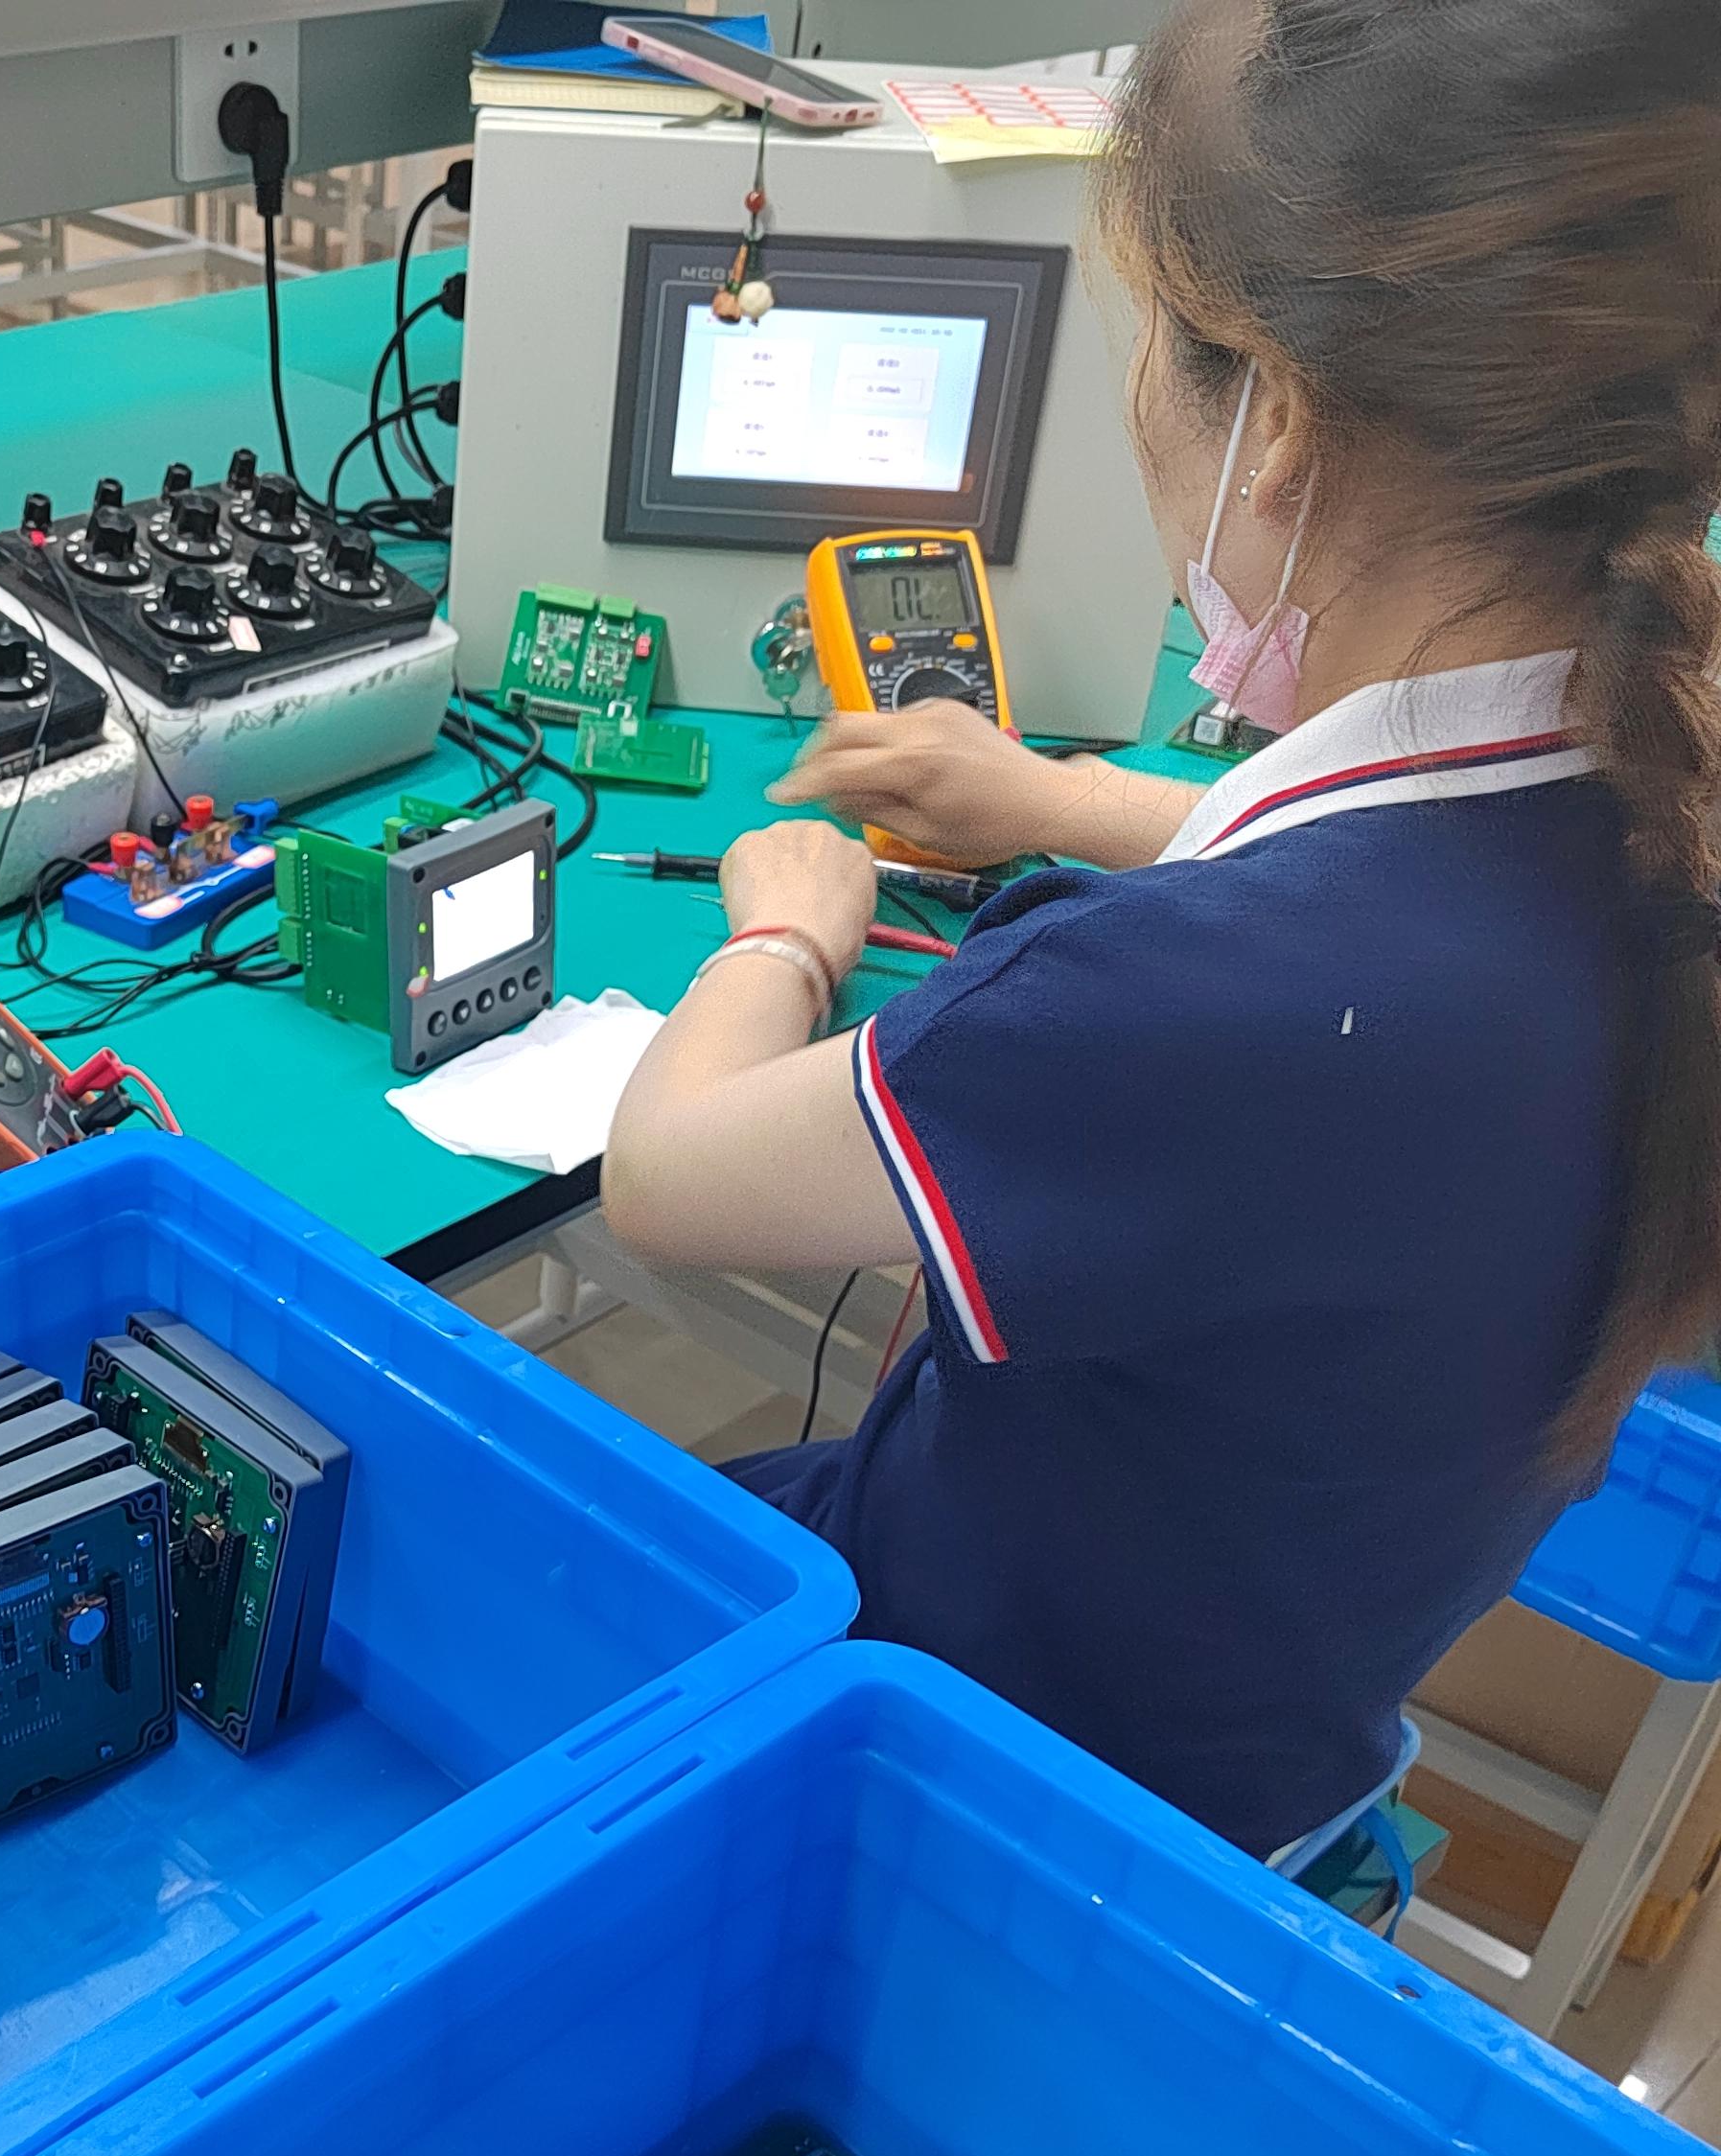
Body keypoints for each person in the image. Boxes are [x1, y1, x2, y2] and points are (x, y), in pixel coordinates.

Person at [601, 0, 1721, 1869]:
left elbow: (663, 1177)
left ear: (1274, 423)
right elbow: (1386, 895)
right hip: (1264, 1775)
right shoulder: (1652, 828)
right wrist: (1062, 800)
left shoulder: (1158, 1006)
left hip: (970, 1786)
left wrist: (782, 939)